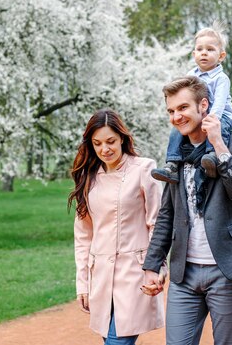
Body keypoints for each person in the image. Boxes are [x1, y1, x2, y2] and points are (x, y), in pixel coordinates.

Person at [142, 76, 232, 345]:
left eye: (183, 108)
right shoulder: (176, 154)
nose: (176, 117)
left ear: (204, 105)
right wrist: (153, 265)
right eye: (171, 111)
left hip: (228, 270)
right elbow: (167, 213)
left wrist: (219, 146)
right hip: (184, 273)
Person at [68, 108, 166, 344]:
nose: (105, 149)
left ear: (122, 137)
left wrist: (157, 269)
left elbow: (157, 225)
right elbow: (83, 236)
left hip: (135, 276)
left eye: (110, 141)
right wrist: (83, 283)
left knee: (117, 341)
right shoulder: (88, 178)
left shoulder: (144, 169)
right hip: (100, 277)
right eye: (97, 143)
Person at [151, 21, 232, 184]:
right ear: (193, 54)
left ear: (221, 56)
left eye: (210, 49)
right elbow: (185, 95)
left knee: (219, 129)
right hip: (199, 113)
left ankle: (212, 156)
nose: (204, 53)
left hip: (221, 116)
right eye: (200, 49)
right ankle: (172, 165)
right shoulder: (191, 74)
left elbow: (219, 102)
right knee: (177, 129)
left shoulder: (221, 79)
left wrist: (213, 119)